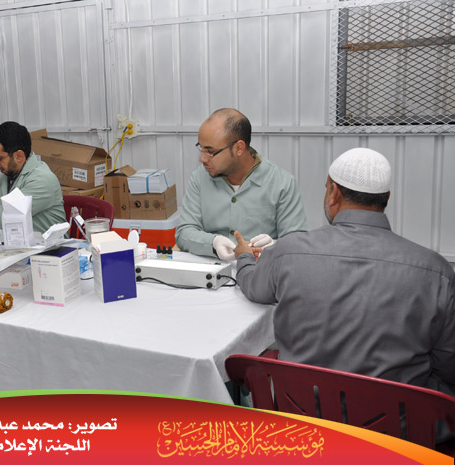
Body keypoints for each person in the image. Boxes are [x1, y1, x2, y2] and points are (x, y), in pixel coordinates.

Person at [233, 148, 455, 402]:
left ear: (334, 193)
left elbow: (253, 287)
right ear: (387, 198)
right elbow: (448, 365)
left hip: (302, 416)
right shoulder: (436, 271)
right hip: (399, 423)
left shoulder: (288, 251)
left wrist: (245, 256)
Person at [175, 108, 307, 259]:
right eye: (201, 148)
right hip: (211, 267)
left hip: (259, 269)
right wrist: (213, 243)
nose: (202, 159)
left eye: (210, 151)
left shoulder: (281, 183)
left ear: (239, 148)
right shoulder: (199, 178)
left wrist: (274, 247)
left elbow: (297, 243)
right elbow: (184, 232)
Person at [0, 121, 66, 233]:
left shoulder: (43, 180)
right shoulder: (3, 179)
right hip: (13, 242)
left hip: (48, 243)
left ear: (19, 156)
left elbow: (10, 215)